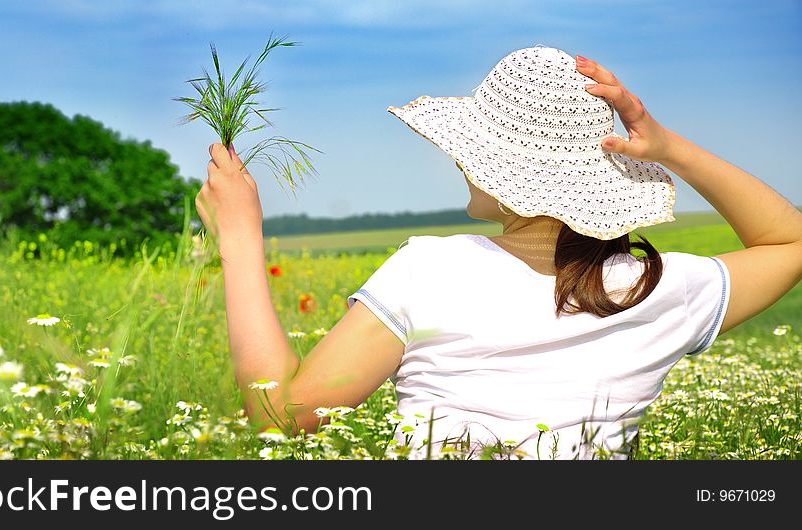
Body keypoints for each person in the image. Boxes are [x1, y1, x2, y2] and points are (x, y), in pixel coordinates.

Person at [195, 46, 802, 459]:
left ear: (502, 171)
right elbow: (791, 241)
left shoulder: (431, 270)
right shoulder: (661, 288)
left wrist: (241, 240)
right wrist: (669, 147)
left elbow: (279, 419)